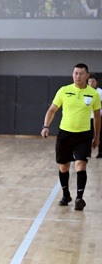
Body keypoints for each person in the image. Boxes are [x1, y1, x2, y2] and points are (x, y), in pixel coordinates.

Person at [41, 63, 101, 211]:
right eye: (75, 73)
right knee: (64, 166)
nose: (78, 76)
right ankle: (66, 194)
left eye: (81, 73)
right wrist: (46, 126)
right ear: (72, 75)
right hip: (65, 134)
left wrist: (97, 137)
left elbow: (97, 117)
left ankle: (79, 198)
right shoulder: (64, 90)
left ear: (87, 76)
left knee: (81, 164)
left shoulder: (93, 94)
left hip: (84, 135)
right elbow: (52, 110)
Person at [88, 73, 102, 158]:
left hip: (98, 117)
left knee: (99, 134)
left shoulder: (100, 92)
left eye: (92, 81)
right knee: (87, 135)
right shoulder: (85, 91)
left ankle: (100, 152)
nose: (91, 83)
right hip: (88, 117)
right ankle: (87, 152)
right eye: (89, 81)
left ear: (96, 82)